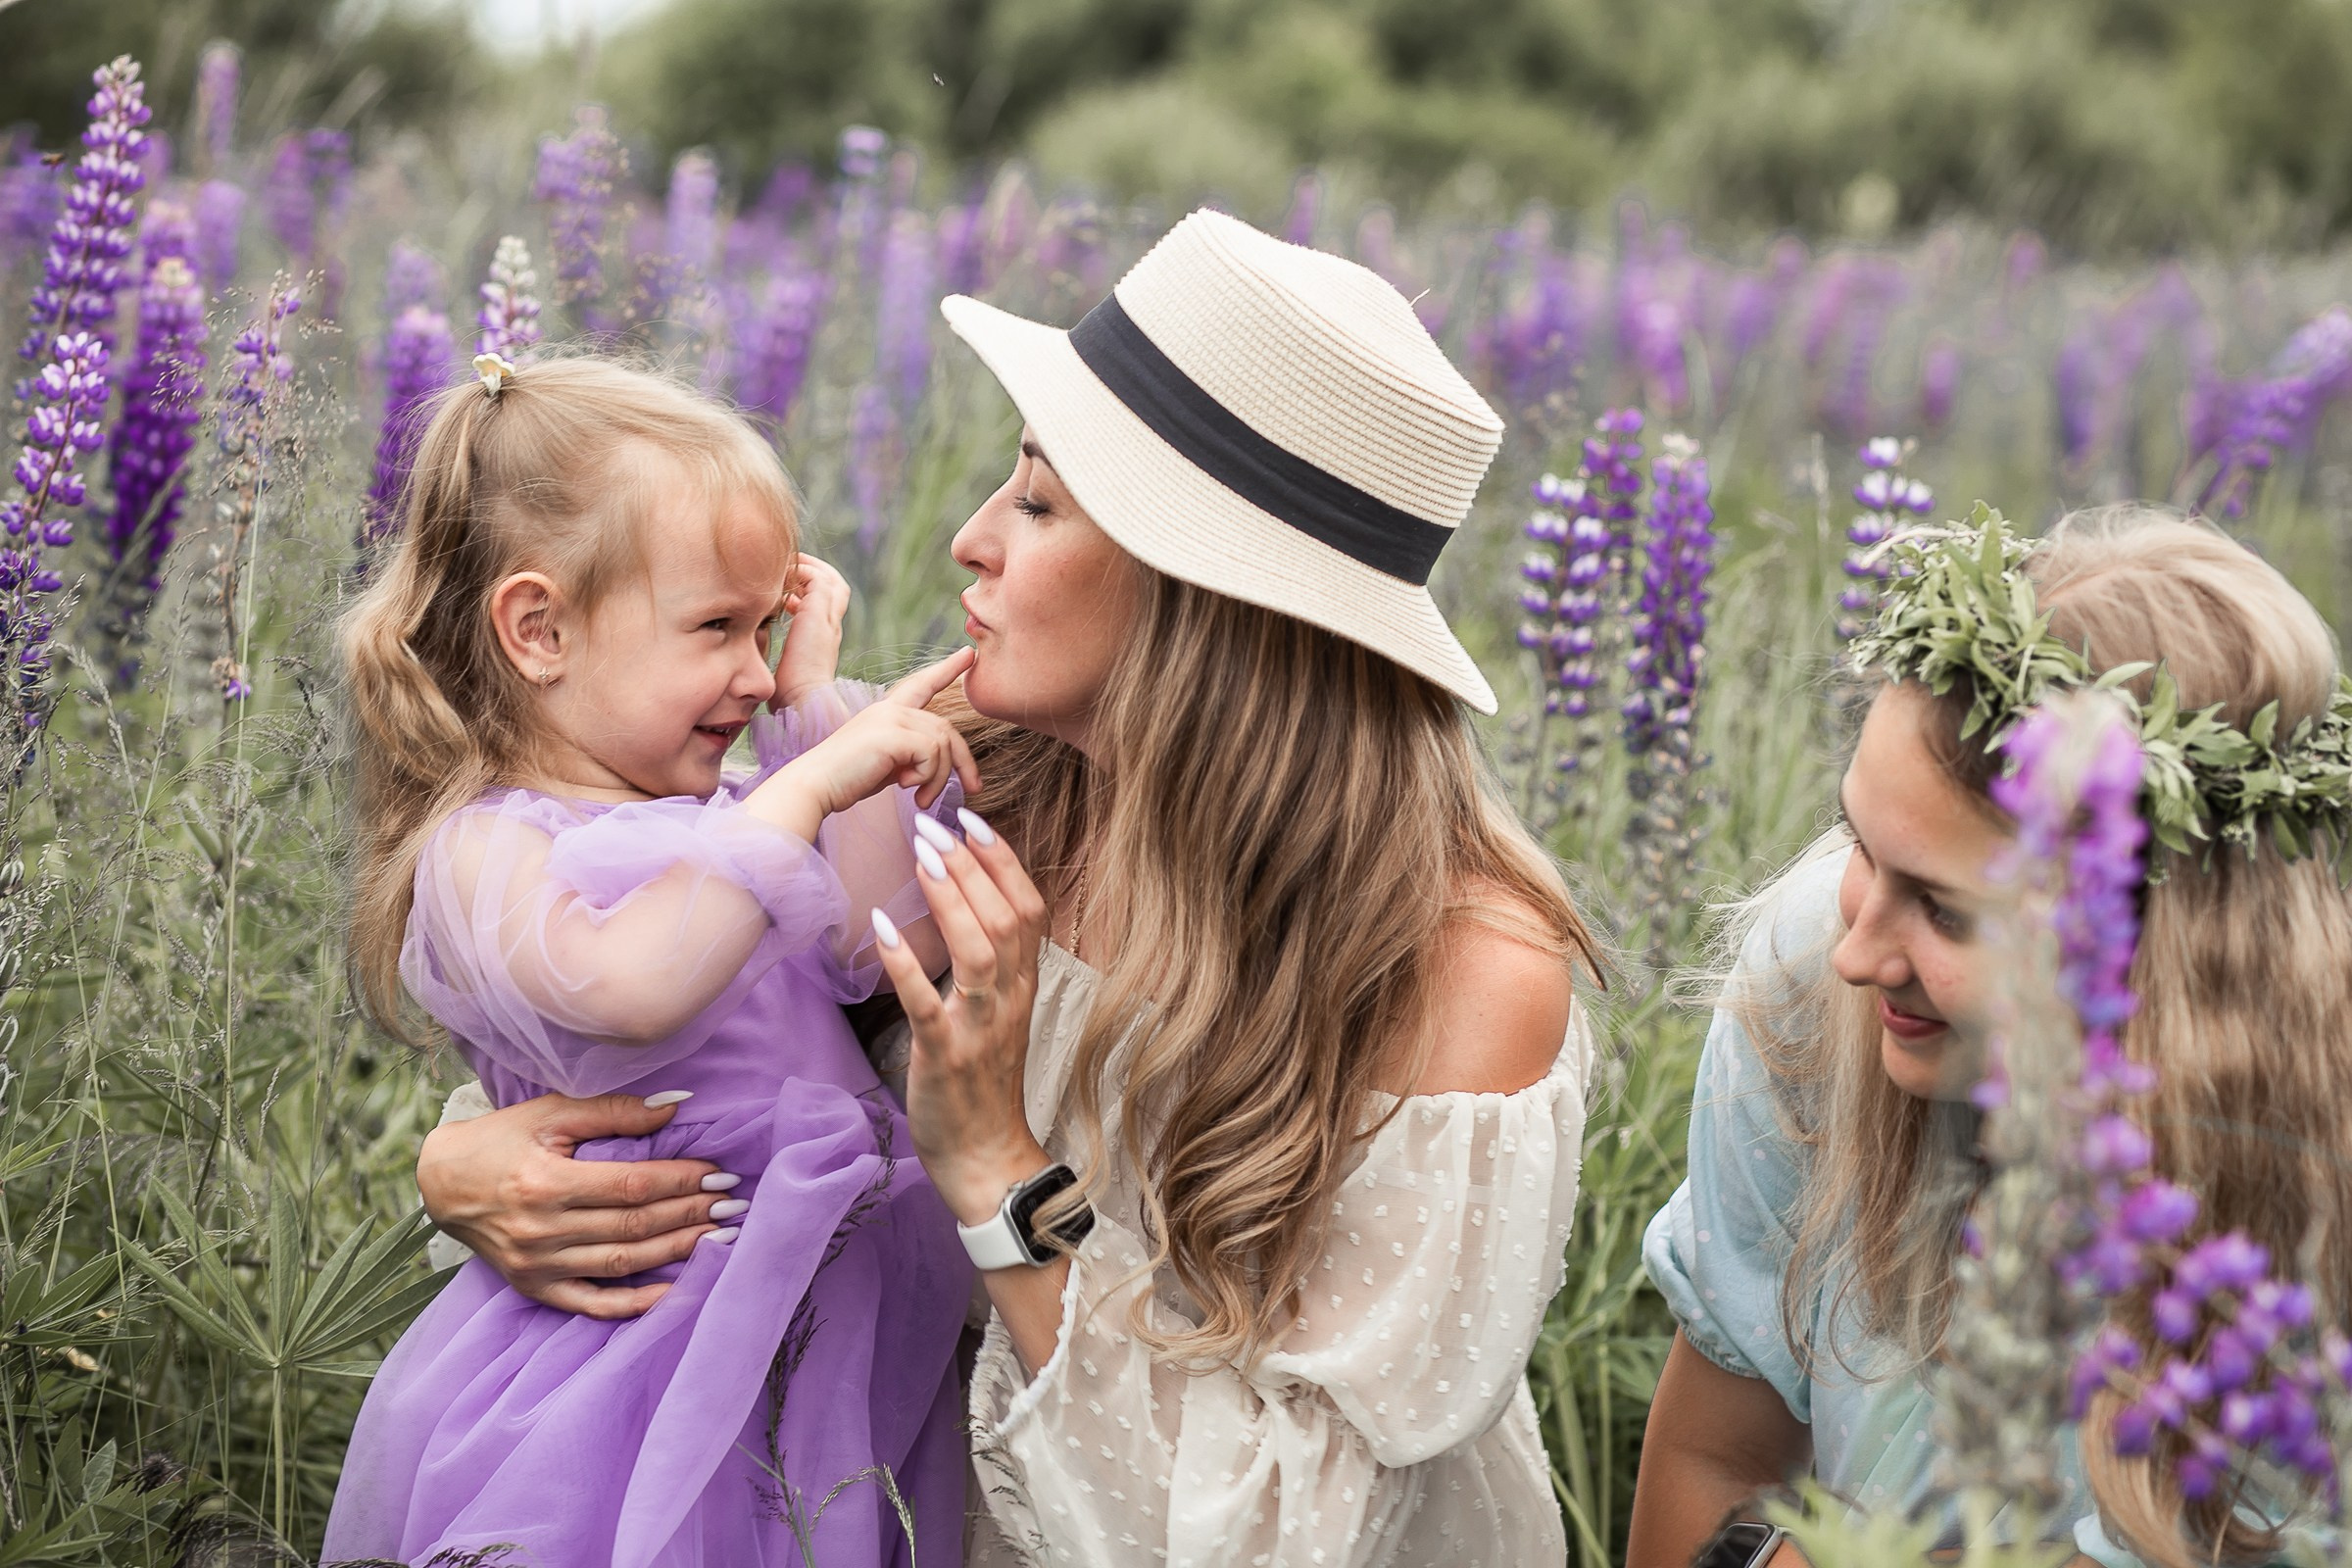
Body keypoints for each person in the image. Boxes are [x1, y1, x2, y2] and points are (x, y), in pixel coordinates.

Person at [416, 208, 1600, 1564]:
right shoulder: (974, 778)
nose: (970, 540)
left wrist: (992, 1163)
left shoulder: (1460, 973)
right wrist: (458, 1170)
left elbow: (1279, 1537)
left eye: (1038, 501)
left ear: (1200, 595)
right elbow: (663, 1030)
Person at [323, 355, 983, 1568]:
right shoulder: (488, 845)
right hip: (631, 1369)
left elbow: (883, 939)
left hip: (823, 1343)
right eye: (715, 627)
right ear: (540, 629)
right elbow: (632, 989)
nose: (748, 666)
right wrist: (805, 788)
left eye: (763, 626)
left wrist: (812, 706)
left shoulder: (731, 812)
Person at [1627, 507, 2352, 1568]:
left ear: (2146, 954)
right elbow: (1720, 1458)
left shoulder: (2305, 1185)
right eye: (1858, 843)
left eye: (1946, 910)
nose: (1854, 950)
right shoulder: (1809, 973)